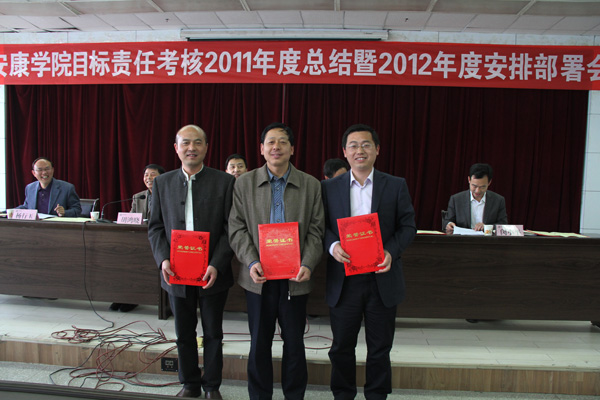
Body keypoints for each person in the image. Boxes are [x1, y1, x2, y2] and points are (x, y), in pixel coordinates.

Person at [228, 122, 324, 400]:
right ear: (261, 149)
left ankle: (294, 395)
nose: (276, 147)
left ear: (292, 148)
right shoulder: (244, 183)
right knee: (259, 342)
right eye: (270, 142)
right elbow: (236, 228)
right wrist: (250, 261)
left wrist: (308, 263)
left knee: (294, 343)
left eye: (282, 142)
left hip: (296, 278)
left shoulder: (311, 184)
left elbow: (317, 230)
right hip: (258, 279)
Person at [321, 124, 416, 400]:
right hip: (344, 280)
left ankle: (376, 395)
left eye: (365, 145)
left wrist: (390, 252)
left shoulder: (395, 185)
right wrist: (333, 246)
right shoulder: (328, 188)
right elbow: (320, 226)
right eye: (353, 145)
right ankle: (343, 394)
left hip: (381, 279)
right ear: (344, 152)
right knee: (341, 347)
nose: (359, 150)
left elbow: (408, 226)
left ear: (377, 149)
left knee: (380, 348)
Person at [148, 125, 235, 399]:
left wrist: (217, 264)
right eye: (185, 143)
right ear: (176, 148)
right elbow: (155, 227)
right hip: (176, 271)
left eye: (197, 142)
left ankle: (212, 386)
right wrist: (163, 259)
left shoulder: (224, 182)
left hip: (212, 272)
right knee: (183, 333)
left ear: (206, 147)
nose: (191, 148)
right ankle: (189, 384)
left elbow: (230, 229)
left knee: (213, 333)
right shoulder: (162, 183)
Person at [110, 163, 166, 314]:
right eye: (146, 175)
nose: (149, 178)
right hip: (139, 241)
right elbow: (131, 218)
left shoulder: (168, 195)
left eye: (153, 174)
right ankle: (127, 297)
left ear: (162, 177)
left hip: (161, 241)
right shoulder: (139, 196)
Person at [443, 163, 508, 234]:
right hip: (463, 239)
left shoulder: (498, 200)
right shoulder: (456, 199)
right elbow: (447, 221)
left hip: (487, 239)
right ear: (469, 180)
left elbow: (503, 225)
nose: (477, 191)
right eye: (474, 186)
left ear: (489, 182)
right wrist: (449, 224)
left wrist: (486, 227)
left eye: (482, 187)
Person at [16, 157, 81, 217]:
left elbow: (77, 210)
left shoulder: (67, 188)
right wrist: (12, 211)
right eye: (40, 170)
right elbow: (27, 207)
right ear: (34, 173)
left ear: (52, 170)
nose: (44, 172)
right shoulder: (30, 188)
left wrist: (64, 212)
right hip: (35, 225)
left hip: (56, 225)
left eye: (47, 169)